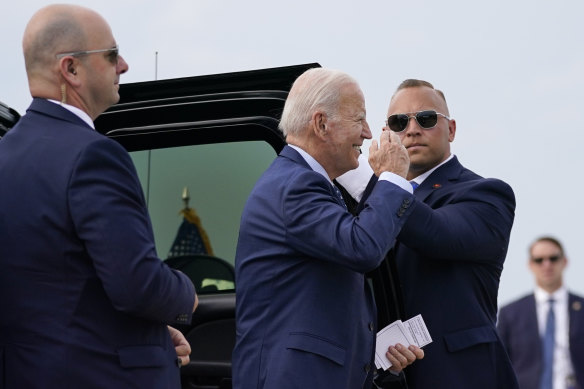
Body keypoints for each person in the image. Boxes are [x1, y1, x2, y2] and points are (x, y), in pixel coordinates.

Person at [0, 5, 197, 388]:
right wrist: (186, 295)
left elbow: (61, 289)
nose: (123, 64)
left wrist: (149, 335)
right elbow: (137, 285)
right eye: (111, 55)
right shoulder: (93, 154)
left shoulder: (5, 156)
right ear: (70, 69)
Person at [231, 68, 424, 389]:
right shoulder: (295, 185)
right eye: (358, 119)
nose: (366, 133)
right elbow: (362, 248)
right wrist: (392, 179)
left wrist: (374, 357)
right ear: (321, 124)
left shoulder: (311, 184)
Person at [338, 79, 518, 388]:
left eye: (426, 118)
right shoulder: (371, 200)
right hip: (384, 373)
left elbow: (438, 233)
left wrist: (384, 182)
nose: (412, 129)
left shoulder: (487, 193)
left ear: (451, 130)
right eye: (398, 122)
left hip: (460, 375)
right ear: (386, 133)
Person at [497, 236, 584, 389]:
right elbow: (499, 364)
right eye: (539, 260)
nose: (547, 265)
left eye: (553, 258)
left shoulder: (581, 307)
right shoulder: (510, 313)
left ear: (564, 262)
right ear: (530, 265)